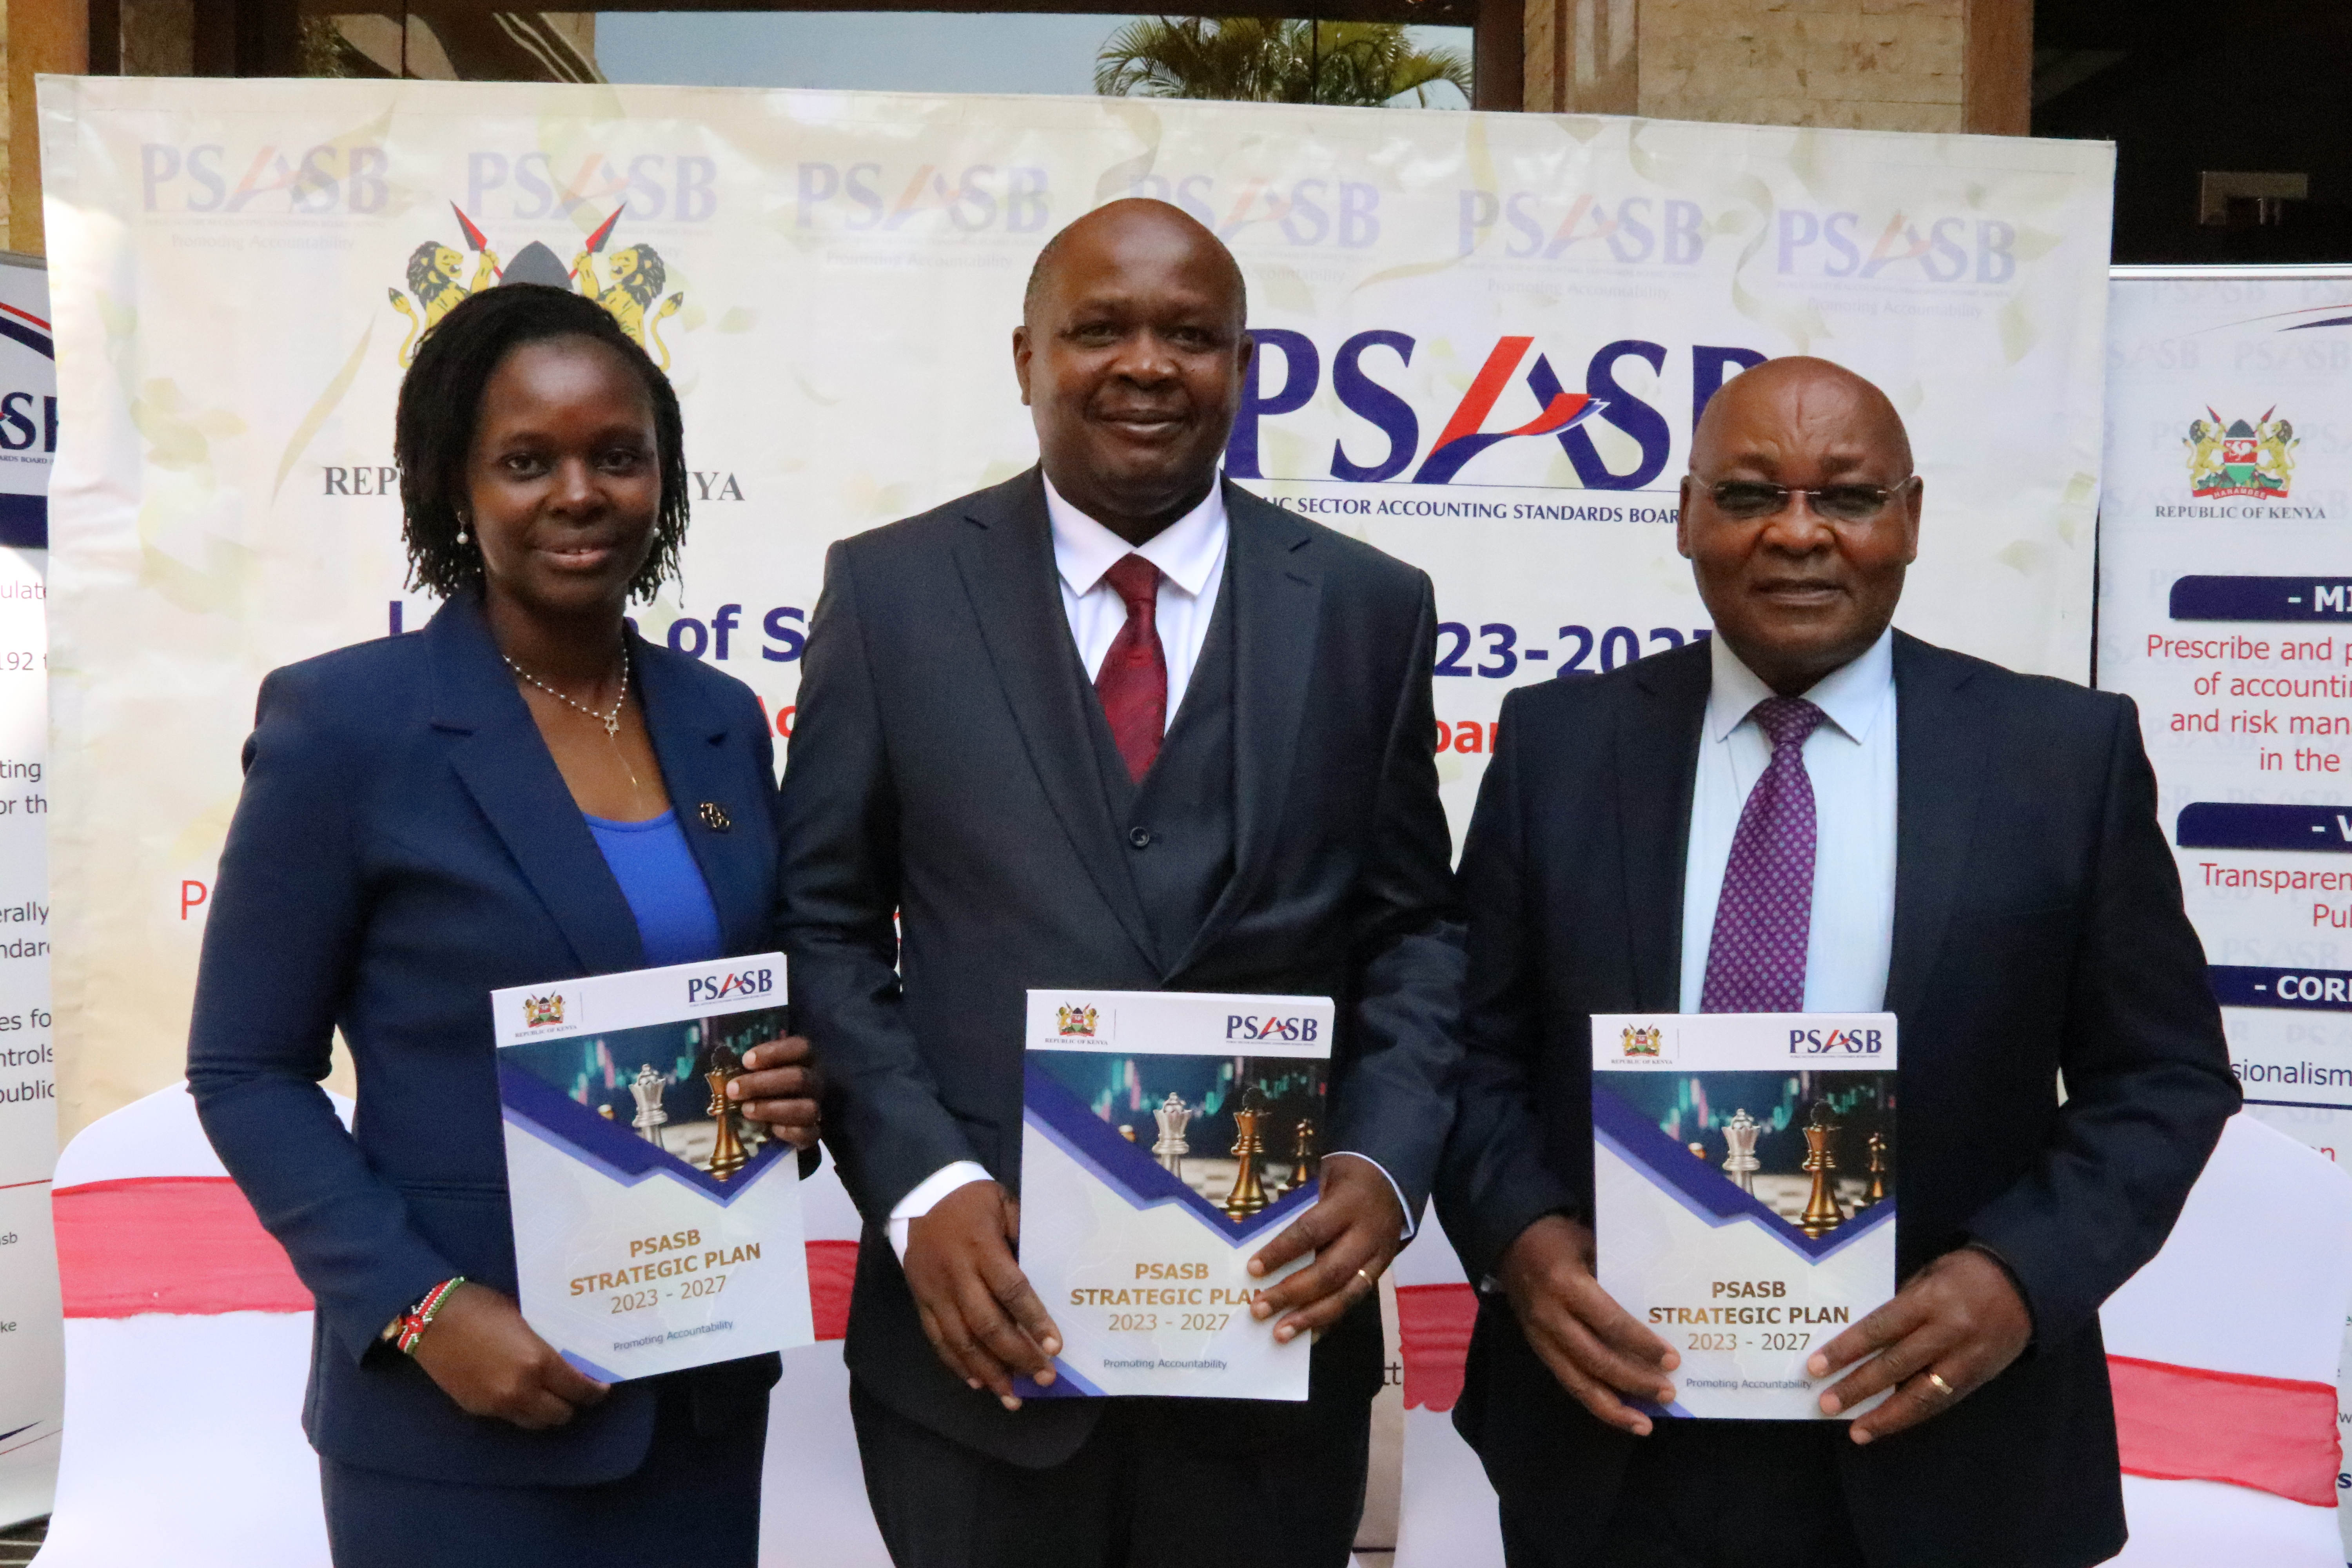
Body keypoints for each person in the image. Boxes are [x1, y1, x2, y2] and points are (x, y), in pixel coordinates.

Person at [737, 197, 1461, 1567]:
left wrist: (1383, 1162)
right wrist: (919, 1187)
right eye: (1099, 330)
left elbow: (1415, 929)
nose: (1146, 365)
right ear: (1027, 358)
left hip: (1268, 1365)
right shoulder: (891, 596)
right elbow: (822, 923)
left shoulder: (1371, 609)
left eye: (1190, 335)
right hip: (980, 1369)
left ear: (1243, 367)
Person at [1434, 356, 2239, 1568]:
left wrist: (2018, 1279)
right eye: (1751, 495)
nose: (1799, 534)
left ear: (1909, 520)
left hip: (1951, 1446)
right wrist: (1523, 1245)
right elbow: (1470, 1047)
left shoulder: (2063, 759)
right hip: (1616, 1445)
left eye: (1848, 499)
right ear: (1687, 515)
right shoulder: (1559, 745)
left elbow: (2165, 1077)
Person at [185, 283, 820, 1566]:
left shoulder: (719, 720)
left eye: (618, 456)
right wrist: (420, 1309)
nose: (579, 494)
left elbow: (755, 1005)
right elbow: (245, 1070)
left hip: (697, 1398)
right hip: (464, 1411)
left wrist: (797, 1089)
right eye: (527, 462)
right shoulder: (347, 727)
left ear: (665, 479)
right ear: (452, 487)